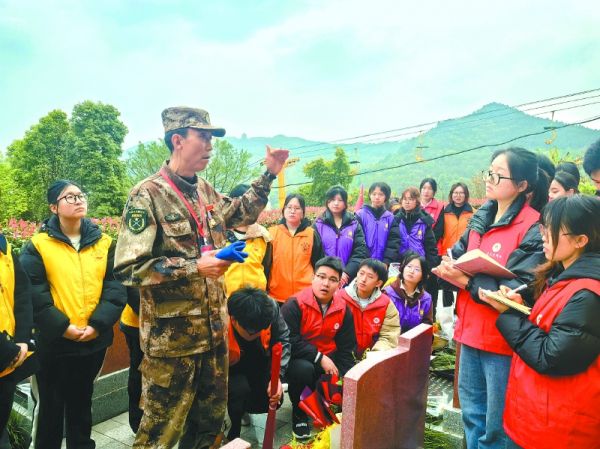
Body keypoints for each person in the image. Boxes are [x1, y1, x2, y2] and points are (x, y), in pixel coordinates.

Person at [113, 106, 289, 449]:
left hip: (213, 338)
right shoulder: (147, 194)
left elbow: (240, 213)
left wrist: (269, 174)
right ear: (178, 140)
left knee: (209, 429)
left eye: (212, 138)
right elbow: (129, 267)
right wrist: (196, 266)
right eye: (203, 137)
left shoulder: (205, 190)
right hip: (173, 345)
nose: (210, 145)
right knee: (160, 434)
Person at [432, 147, 544, 449]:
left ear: (521, 185)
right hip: (469, 333)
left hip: (501, 343)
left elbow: (517, 287)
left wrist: (467, 280)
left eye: (498, 175)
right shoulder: (480, 219)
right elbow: (456, 256)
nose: (489, 179)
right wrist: (450, 267)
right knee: (472, 417)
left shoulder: (533, 226)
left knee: (497, 429)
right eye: (489, 172)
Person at [481, 195, 600, 449]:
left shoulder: (588, 293)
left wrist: (509, 314)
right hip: (538, 417)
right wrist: (520, 308)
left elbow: (552, 356)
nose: (543, 237)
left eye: (552, 230)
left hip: (559, 429)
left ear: (581, 240)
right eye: (543, 228)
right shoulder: (564, 277)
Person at [20, 180, 126, 449]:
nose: (78, 200)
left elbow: (115, 288)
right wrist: (63, 328)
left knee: (82, 405)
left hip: (93, 341)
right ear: (53, 207)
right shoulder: (37, 246)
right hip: (53, 343)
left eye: (81, 195)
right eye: (69, 197)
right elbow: (34, 294)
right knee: (49, 409)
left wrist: (97, 325)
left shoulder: (104, 243)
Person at [281, 256, 356, 439]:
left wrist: (345, 380)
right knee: (304, 370)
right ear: (313, 277)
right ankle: (299, 412)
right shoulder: (294, 304)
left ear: (339, 284)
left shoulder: (343, 309)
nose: (326, 284)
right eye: (321, 277)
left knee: (337, 384)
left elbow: (346, 348)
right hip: (299, 358)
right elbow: (289, 340)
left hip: (329, 358)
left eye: (333, 280)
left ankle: (322, 403)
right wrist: (319, 357)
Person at [226, 288, 291, 441]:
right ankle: (233, 429)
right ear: (233, 320)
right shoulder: (219, 319)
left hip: (259, 361)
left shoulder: (269, 309)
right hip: (230, 368)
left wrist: (277, 378)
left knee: (271, 398)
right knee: (238, 393)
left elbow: (283, 340)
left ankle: (243, 407)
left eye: (261, 330)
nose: (257, 334)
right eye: (251, 332)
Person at [0, 232, 37, 436]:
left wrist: (22, 339)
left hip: (6, 366)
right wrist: (7, 350)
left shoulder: (4, 246)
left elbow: (21, 292)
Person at [335, 258, 400, 357]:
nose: (363, 279)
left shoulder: (386, 304)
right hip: (342, 355)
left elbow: (389, 336)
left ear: (378, 283)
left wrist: (374, 356)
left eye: (370, 276)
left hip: (372, 358)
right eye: (361, 273)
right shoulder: (339, 297)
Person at [268, 193, 323, 302]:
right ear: (283, 210)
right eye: (289, 207)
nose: (292, 211)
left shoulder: (311, 234)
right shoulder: (272, 233)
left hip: (305, 295)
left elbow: (319, 264)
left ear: (303, 213)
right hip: (277, 296)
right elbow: (266, 265)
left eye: (297, 208)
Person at [223, 184, 272, 297]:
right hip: (228, 299)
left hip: (256, 299)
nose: (245, 210)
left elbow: (267, 267)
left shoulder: (263, 235)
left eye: (249, 205)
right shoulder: (219, 235)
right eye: (241, 205)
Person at [314, 186, 368, 287]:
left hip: (347, 280)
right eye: (332, 199)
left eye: (340, 200)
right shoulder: (318, 224)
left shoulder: (354, 224)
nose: (336, 203)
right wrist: (332, 272)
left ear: (345, 203)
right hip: (324, 279)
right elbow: (315, 253)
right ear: (327, 201)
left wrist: (346, 273)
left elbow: (359, 253)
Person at [384, 187, 440, 270]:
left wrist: (430, 268)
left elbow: (431, 248)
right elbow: (391, 244)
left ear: (417, 201)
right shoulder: (396, 219)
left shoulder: (424, 220)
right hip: (399, 263)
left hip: (419, 264)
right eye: (404, 199)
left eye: (410, 199)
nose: (407, 202)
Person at [438, 182, 474, 306]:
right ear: (451, 195)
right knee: (446, 284)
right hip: (447, 253)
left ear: (466, 195)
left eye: (461, 193)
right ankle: (447, 312)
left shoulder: (473, 213)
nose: (458, 196)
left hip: (464, 254)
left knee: (461, 283)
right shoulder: (444, 213)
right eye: (455, 193)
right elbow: (439, 233)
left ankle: (459, 310)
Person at [384, 252, 433, 333]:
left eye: (417, 269)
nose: (411, 271)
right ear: (403, 269)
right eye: (409, 266)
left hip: (414, 339)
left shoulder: (426, 299)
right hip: (390, 338)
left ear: (423, 276)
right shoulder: (388, 293)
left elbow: (426, 326)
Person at [119, 287, 143, 433]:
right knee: (140, 374)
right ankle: (139, 423)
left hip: (171, 323)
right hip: (138, 324)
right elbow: (129, 285)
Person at [355, 182, 397, 262]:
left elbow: (393, 242)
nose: (377, 197)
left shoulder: (390, 217)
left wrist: (386, 261)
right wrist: (363, 261)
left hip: (383, 264)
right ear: (370, 195)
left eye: (381, 194)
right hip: (364, 262)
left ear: (386, 197)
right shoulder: (360, 215)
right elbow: (358, 240)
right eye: (374, 194)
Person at [420, 178, 445, 248]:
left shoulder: (440, 207)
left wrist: (427, 246)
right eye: (424, 188)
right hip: (415, 246)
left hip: (433, 247)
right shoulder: (414, 206)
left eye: (430, 189)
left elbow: (439, 231)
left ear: (434, 192)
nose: (426, 191)